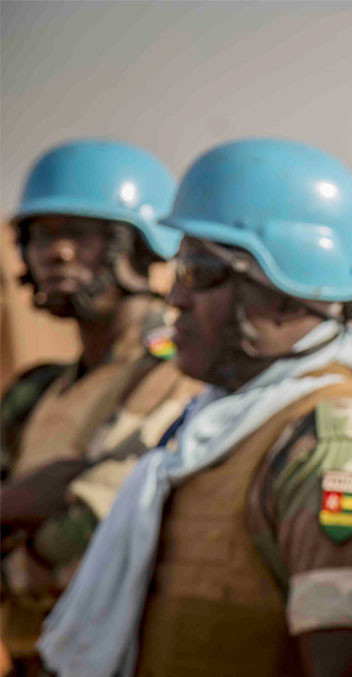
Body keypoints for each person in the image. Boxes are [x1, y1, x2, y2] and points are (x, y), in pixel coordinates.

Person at [37, 139, 352, 677]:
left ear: (286, 290)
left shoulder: (337, 442)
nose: (175, 298)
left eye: (199, 273)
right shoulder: (210, 425)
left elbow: (350, 662)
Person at [0, 140, 199, 671]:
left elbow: (93, 519)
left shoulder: (175, 371)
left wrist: (22, 552)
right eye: (42, 234)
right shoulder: (36, 392)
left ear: (135, 245)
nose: (56, 252)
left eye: (79, 235)